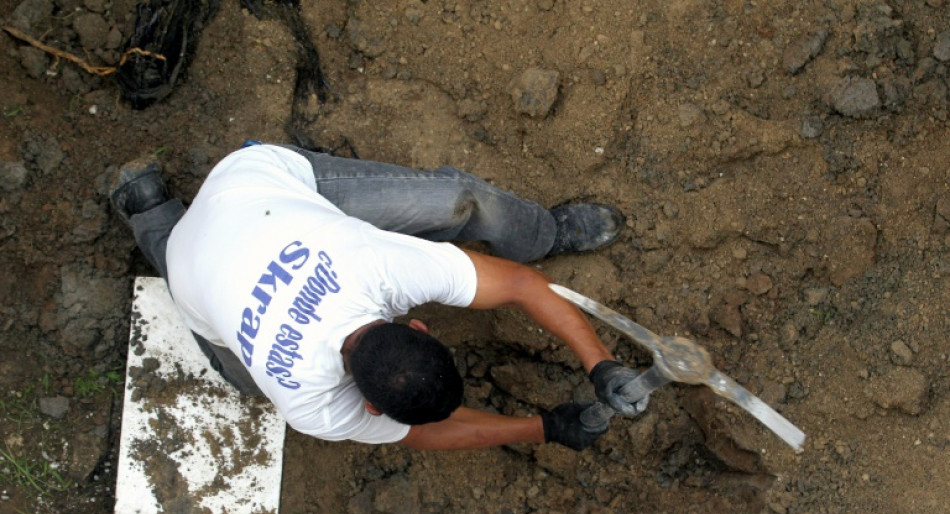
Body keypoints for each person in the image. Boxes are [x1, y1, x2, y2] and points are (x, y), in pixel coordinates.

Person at [110, 142, 644, 451]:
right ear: (421, 325)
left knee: (460, 202)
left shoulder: (382, 264)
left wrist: (601, 365)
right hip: (224, 218)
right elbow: (421, 435)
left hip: (256, 196)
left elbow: (523, 284)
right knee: (247, 381)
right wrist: (547, 425)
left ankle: (543, 232)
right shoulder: (308, 404)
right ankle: (152, 216)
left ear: (417, 327)